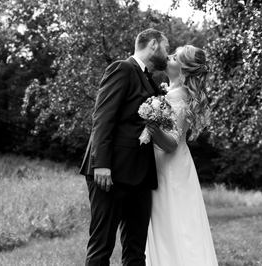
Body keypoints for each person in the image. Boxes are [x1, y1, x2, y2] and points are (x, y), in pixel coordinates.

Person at [79, 28, 169, 266]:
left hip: (140, 175)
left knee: (136, 250)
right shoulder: (122, 68)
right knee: (102, 246)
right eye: (166, 47)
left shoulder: (149, 78)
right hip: (111, 172)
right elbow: (103, 118)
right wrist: (101, 164)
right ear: (153, 44)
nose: (167, 54)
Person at [145, 45, 219, 266]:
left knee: (173, 226)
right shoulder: (170, 91)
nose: (168, 58)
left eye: (174, 57)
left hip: (170, 169)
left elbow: (171, 144)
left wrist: (150, 125)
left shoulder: (178, 95)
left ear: (184, 69)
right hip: (169, 165)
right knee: (176, 226)